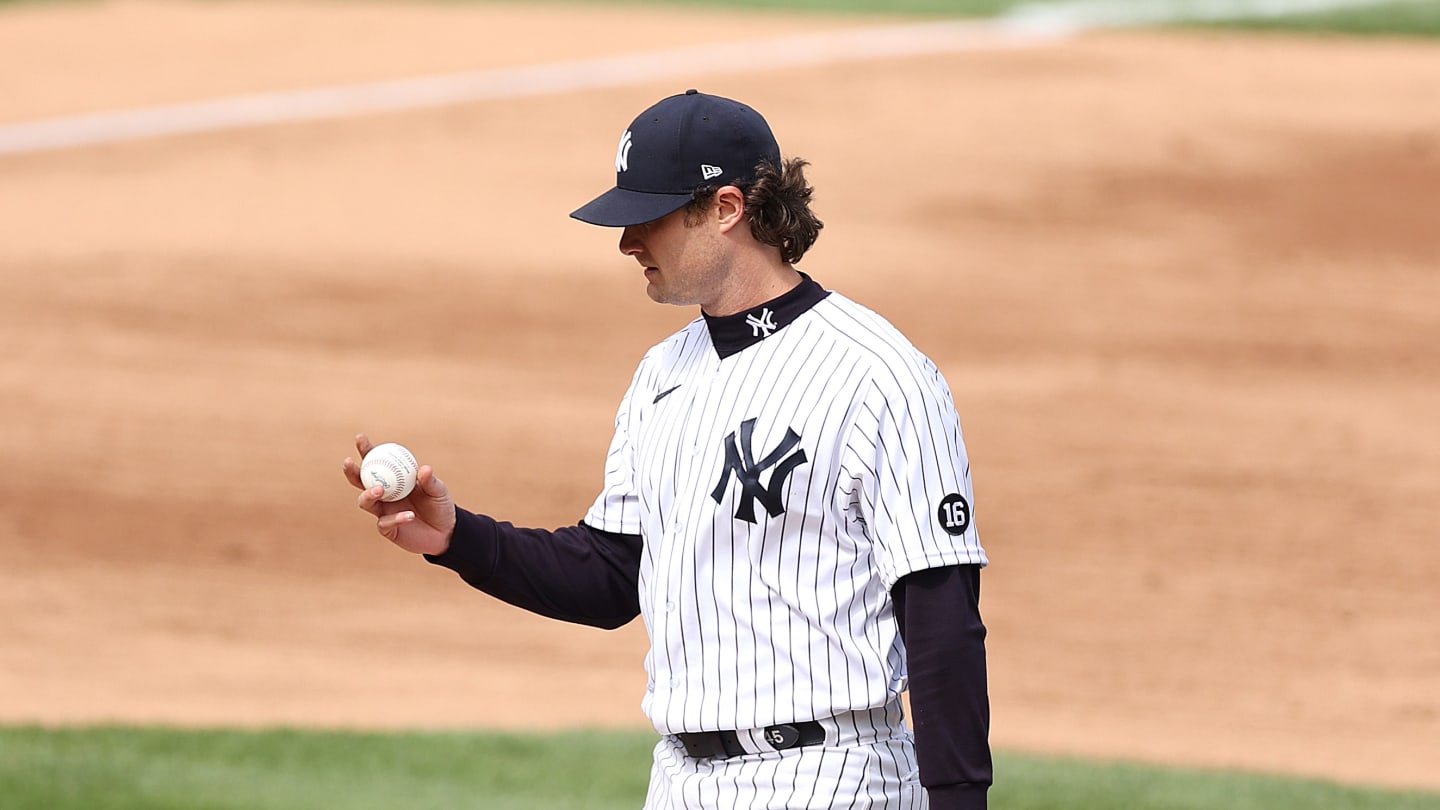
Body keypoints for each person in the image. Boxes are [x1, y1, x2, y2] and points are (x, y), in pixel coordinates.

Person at [343, 89, 992, 809]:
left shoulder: (879, 374)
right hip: (680, 781)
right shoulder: (662, 374)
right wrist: (456, 536)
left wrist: (959, 800)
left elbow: (942, 615)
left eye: (647, 219)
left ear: (725, 208)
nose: (626, 242)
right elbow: (610, 576)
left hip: (829, 776)